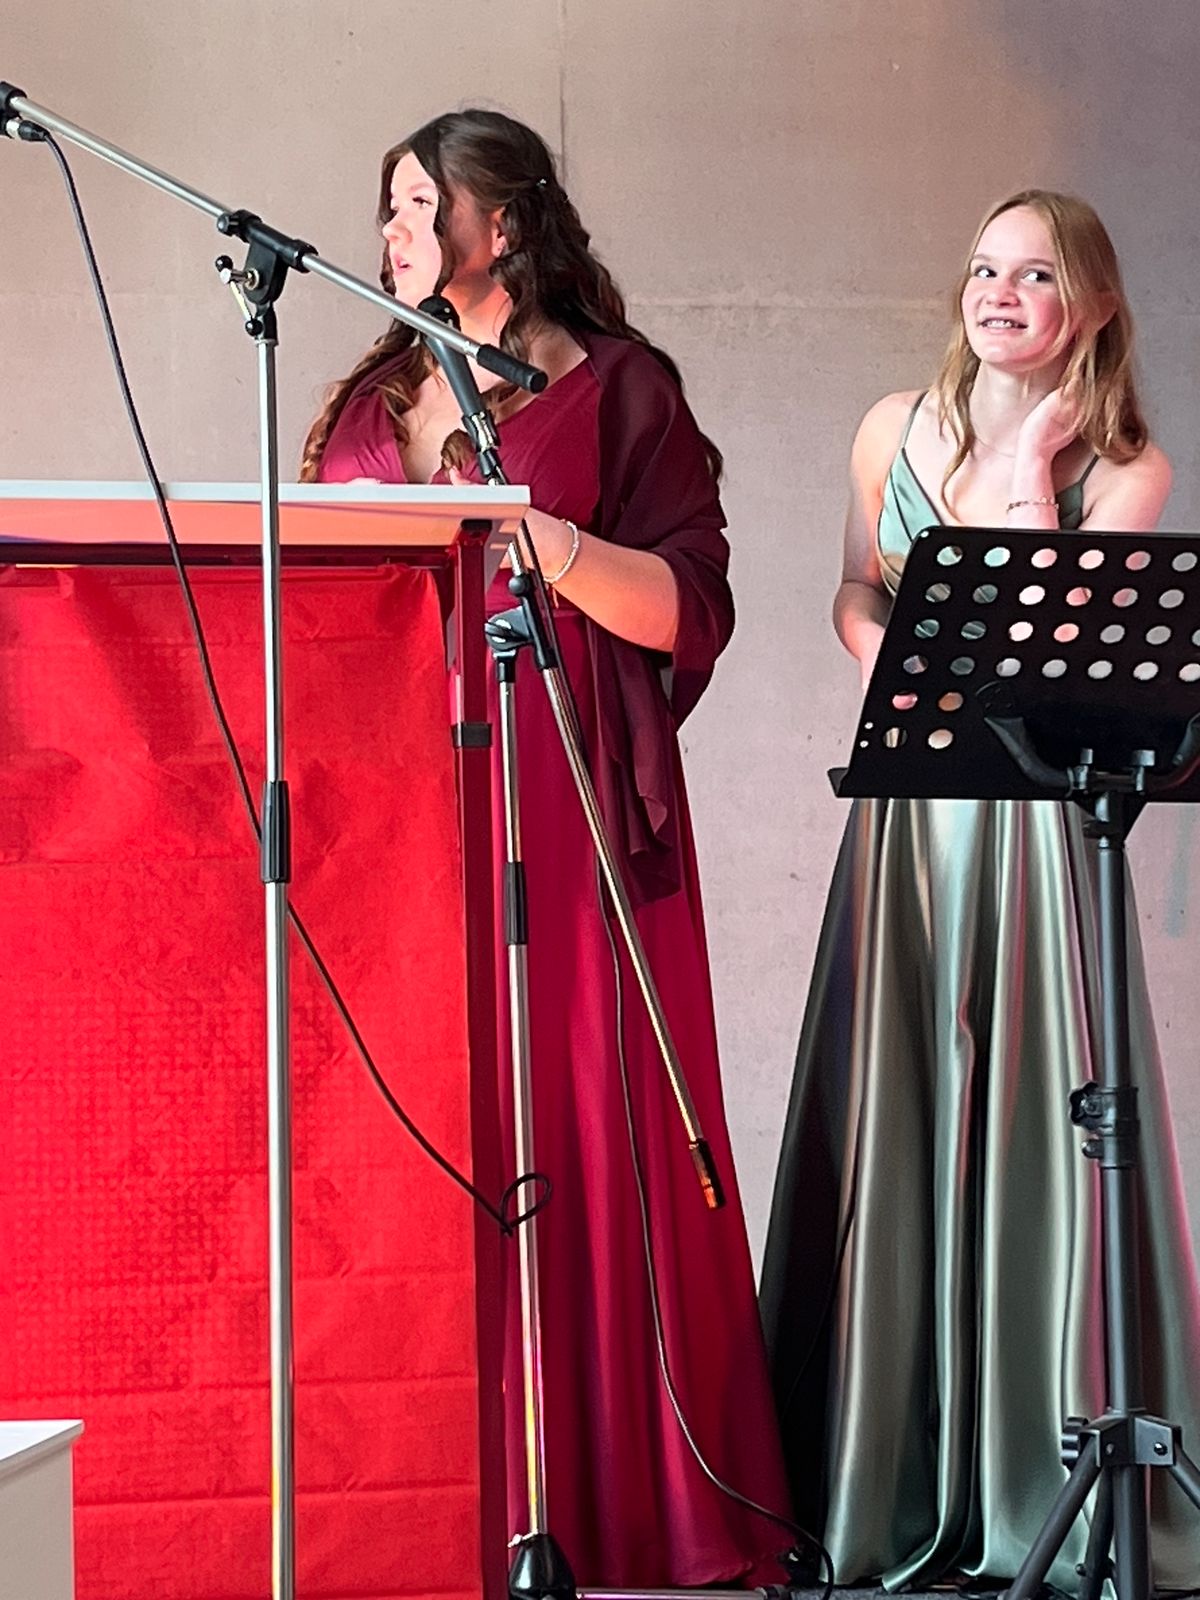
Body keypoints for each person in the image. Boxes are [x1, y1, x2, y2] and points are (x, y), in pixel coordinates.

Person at [301, 108, 791, 1587]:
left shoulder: (621, 389)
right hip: (401, 804)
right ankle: (434, 1489)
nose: (394, 235)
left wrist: (548, 544)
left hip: (564, 796)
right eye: (389, 208)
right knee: (425, 1118)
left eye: (420, 205)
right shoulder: (376, 395)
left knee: (574, 1109)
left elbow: (694, 608)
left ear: (500, 224)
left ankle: (614, 1495)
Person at [759, 189, 1200, 1592]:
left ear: (1094, 307)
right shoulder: (890, 427)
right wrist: (895, 661)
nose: (996, 293)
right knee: (900, 1098)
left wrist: (1026, 466)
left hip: (1031, 822)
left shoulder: (1124, 469)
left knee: (1026, 1105)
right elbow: (856, 591)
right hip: (909, 812)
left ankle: (1027, 1472)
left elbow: (1043, 636)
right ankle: (879, 1476)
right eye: (981, 269)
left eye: (1035, 275)